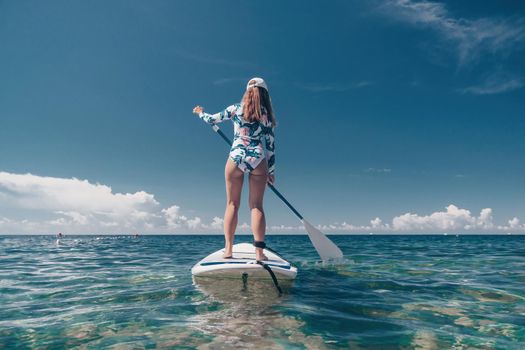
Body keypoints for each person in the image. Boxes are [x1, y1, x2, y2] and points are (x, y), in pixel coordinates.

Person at [193, 77, 276, 261]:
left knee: (232, 204)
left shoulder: (235, 108)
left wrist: (200, 113)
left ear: (247, 91)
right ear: (265, 94)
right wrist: (271, 171)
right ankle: (259, 253)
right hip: (257, 159)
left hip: (236, 157)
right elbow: (270, 146)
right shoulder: (266, 117)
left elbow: (211, 119)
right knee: (256, 206)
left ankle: (228, 250)